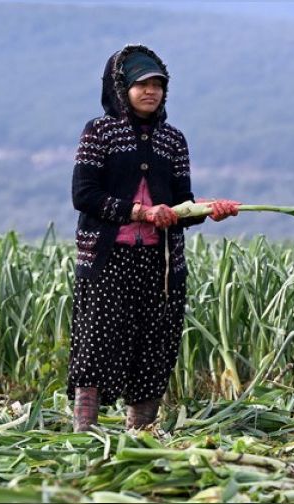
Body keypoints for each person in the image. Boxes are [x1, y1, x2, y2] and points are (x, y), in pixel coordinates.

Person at [69, 44, 240, 431]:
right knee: (95, 340)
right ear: (121, 88)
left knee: (155, 345)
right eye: (141, 84)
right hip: (107, 260)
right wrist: (139, 212)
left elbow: (181, 206)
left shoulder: (173, 141)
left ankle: (140, 433)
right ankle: (84, 433)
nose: (151, 91)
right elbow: (84, 195)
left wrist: (208, 210)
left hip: (160, 265)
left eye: (158, 84)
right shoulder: (100, 132)